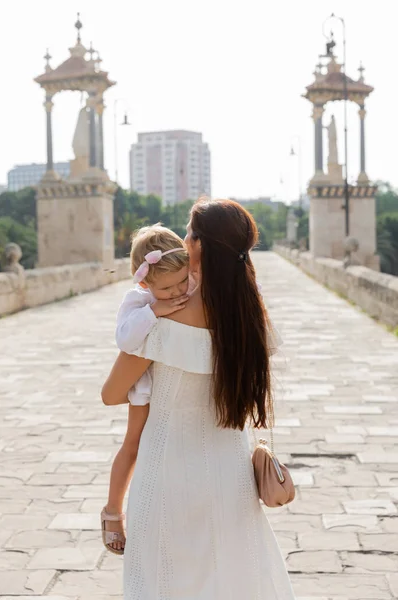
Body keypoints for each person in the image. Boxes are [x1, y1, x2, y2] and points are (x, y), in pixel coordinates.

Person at [102, 198, 295, 599]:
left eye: (189, 233)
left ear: (201, 246)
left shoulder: (162, 314)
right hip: (231, 475)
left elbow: (111, 393)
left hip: (167, 469)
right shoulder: (248, 315)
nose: (184, 240)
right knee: (234, 581)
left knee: (163, 583)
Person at [101, 225, 191, 554]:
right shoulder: (138, 300)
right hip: (145, 389)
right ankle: (113, 509)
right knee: (134, 445)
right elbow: (125, 339)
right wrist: (154, 311)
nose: (179, 290)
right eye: (167, 287)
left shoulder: (189, 287)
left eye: (183, 280)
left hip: (179, 388)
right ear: (145, 282)